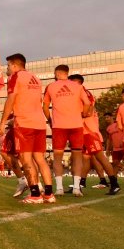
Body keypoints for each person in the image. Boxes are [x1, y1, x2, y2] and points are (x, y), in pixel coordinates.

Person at [0, 53, 55, 204]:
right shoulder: (35, 78)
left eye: (8, 65)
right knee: (40, 159)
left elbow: (11, 99)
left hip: (24, 123)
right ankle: (49, 194)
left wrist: (3, 122)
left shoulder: (15, 77)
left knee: (26, 159)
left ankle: (35, 194)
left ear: (15, 65)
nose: (7, 68)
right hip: (39, 123)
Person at [69, 74, 121, 195]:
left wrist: (71, 115)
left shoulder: (85, 93)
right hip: (81, 131)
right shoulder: (77, 94)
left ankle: (114, 184)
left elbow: (88, 112)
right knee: (84, 159)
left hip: (89, 132)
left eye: (71, 82)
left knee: (100, 158)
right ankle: (79, 184)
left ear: (77, 82)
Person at [42, 65, 88, 197]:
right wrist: (83, 115)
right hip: (76, 125)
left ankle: (59, 188)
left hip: (59, 126)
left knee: (57, 157)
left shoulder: (51, 86)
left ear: (57, 73)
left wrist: (50, 120)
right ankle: (76, 188)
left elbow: (45, 106)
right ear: (67, 73)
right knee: (77, 156)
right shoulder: (78, 86)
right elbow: (87, 103)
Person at [0, 117, 28, 197]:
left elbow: (14, 120)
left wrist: (3, 123)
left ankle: (30, 185)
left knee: (24, 156)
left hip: (20, 128)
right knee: (30, 156)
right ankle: (37, 188)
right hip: (25, 127)